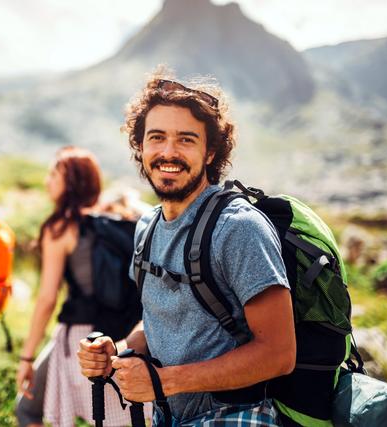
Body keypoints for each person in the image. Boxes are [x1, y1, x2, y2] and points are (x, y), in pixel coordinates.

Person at [77, 70, 296, 426]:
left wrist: (163, 382)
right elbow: (165, 320)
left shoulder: (238, 228)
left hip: (237, 415)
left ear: (210, 152)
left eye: (186, 140)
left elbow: (279, 353)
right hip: (170, 413)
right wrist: (115, 351)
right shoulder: (147, 227)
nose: (168, 152)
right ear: (141, 146)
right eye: (157, 137)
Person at [15, 146, 138, 427]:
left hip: (80, 338)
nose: (47, 181)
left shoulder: (61, 228)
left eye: (53, 174)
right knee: (114, 418)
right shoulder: (113, 221)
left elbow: (47, 298)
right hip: (122, 335)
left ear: (70, 182)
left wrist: (26, 357)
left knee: (27, 410)